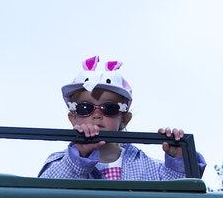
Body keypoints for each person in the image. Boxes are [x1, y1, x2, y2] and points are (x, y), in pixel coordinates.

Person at [39, 56, 206, 181]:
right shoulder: (61, 162)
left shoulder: (148, 167)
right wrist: (79, 156)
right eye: (85, 108)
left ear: (124, 119)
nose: (96, 115)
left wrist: (179, 161)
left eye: (109, 108)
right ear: (73, 118)